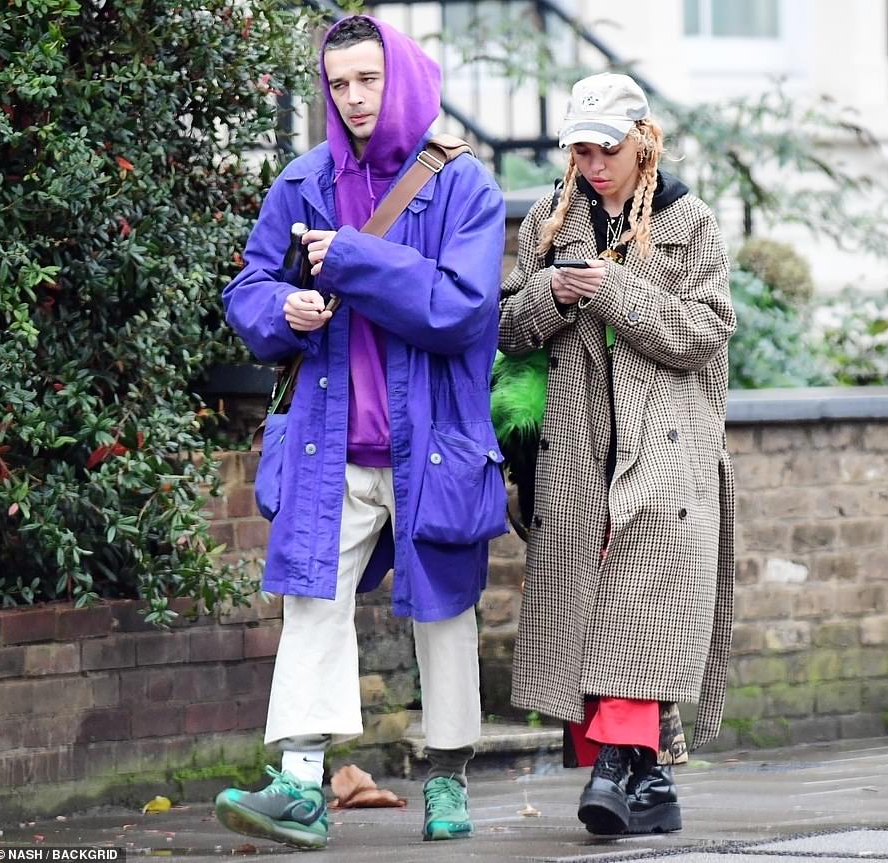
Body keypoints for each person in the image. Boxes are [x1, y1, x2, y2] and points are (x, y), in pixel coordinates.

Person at [215, 15, 507, 850]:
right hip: (328, 443)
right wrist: (285, 309)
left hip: (437, 445)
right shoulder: (303, 182)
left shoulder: (463, 187)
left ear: (402, 78)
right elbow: (249, 288)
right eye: (338, 83)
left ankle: (447, 778)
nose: (352, 99)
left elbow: (460, 308)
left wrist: (345, 263)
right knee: (312, 598)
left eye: (367, 81)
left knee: (445, 610)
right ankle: (301, 783)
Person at [497, 72, 736, 836]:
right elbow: (505, 326)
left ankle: (611, 763)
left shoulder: (688, 221)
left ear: (643, 139)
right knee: (586, 600)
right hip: (576, 444)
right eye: (580, 147)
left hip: (663, 447)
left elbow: (705, 331)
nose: (594, 162)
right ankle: (649, 783)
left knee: (639, 595)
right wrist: (555, 295)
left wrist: (612, 293)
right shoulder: (549, 217)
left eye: (607, 146)